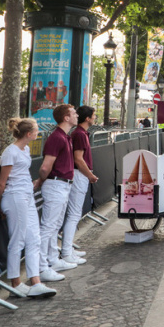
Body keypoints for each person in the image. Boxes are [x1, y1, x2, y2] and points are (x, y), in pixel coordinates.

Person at [0, 118, 57, 298]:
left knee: (34, 238)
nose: (39, 132)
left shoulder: (25, 149)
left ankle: (35, 281)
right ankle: (15, 282)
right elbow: (1, 183)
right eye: (37, 130)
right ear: (29, 134)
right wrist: (1, 206)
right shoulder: (10, 152)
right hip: (15, 197)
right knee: (18, 240)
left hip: (26, 196)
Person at [37, 104, 78, 280]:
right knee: (48, 227)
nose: (77, 115)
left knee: (53, 226)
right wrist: (41, 180)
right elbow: (46, 165)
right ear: (66, 118)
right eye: (74, 113)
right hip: (56, 185)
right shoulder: (57, 138)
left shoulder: (64, 137)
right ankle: (41, 266)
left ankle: (52, 260)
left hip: (61, 184)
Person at [61, 105, 98, 266]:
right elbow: (78, 158)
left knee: (73, 213)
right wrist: (89, 175)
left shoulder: (79, 134)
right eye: (94, 116)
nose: (95, 118)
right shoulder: (80, 135)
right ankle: (67, 251)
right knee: (74, 213)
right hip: (80, 175)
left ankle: (68, 249)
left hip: (78, 174)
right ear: (88, 118)